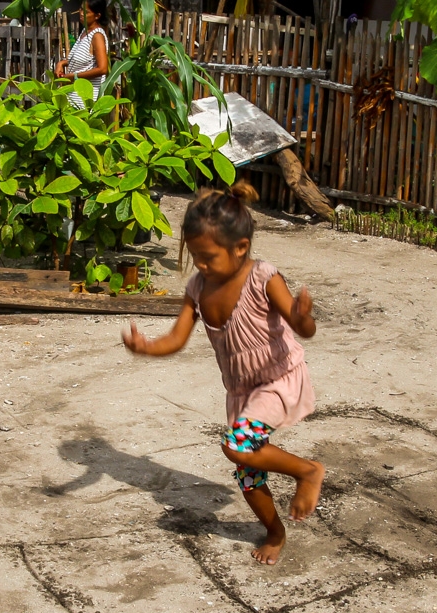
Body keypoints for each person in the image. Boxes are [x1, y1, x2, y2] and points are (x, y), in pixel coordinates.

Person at [122, 183, 325, 566]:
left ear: (241, 248)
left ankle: (309, 471)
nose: (200, 264)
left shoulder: (263, 277)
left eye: (208, 257)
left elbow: (304, 328)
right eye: (195, 255)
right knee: (248, 474)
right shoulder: (197, 288)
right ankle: (275, 532)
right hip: (242, 390)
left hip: (278, 377)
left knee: (236, 444)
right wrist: (147, 346)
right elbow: (177, 339)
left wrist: (302, 316)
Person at [55, 0, 110, 109]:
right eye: (80, 9)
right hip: (74, 98)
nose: (81, 13)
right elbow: (85, 58)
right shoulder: (85, 31)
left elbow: (103, 69)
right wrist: (62, 63)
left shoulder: (97, 36)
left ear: (97, 16)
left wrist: (75, 76)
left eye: (86, 12)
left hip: (86, 100)